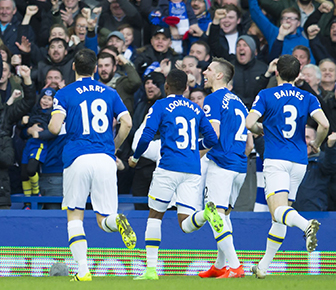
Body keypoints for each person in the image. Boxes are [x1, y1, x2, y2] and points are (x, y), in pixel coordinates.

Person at [48, 49, 136, 281]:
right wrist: (114, 146)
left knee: (74, 215)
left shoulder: (65, 93)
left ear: (74, 67)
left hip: (77, 157)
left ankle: (83, 270)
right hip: (105, 158)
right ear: (95, 68)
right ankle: (116, 221)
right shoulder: (110, 92)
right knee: (103, 218)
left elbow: (55, 128)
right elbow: (127, 122)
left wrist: (54, 121)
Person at [129, 69, 220, 281]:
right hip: (191, 169)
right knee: (186, 224)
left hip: (168, 167)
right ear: (186, 88)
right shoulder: (195, 109)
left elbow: (146, 136)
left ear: (166, 86)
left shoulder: (160, 105)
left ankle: (151, 270)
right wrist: (196, 147)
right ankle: (206, 214)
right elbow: (212, 139)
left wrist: (135, 157)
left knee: (155, 216)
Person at [246, 55, 329, 279]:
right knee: (280, 216)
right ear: (298, 73)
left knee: (278, 211)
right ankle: (263, 267)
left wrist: (259, 129)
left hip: (276, 159)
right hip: (299, 161)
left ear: (276, 72)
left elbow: (248, 122)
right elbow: (325, 124)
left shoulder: (266, 95)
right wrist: (317, 143)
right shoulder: (308, 97)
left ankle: (306, 225)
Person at [198, 58, 249, 278]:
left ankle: (236, 266)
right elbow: (249, 140)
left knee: (214, 214)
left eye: (209, 69)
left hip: (222, 164)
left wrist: (194, 150)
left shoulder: (212, 99)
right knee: (224, 215)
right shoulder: (239, 102)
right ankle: (219, 265)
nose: (204, 72)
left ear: (219, 75)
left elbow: (214, 135)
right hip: (239, 164)